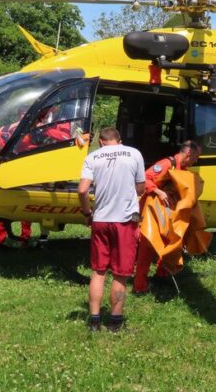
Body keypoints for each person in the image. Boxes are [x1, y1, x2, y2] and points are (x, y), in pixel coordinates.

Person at [78, 127, 145, 332]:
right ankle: (115, 322)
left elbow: (82, 190)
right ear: (120, 140)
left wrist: (87, 213)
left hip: (100, 220)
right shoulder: (134, 153)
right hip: (124, 221)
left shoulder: (93, 157)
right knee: (120, 274)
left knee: (98, 272)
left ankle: (95, 320)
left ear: (101, 142)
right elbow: (141, 188)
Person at [133, 140, 202, 294]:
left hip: (167, 213)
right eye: (196, 156)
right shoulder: (166, 164)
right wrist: (158, 192)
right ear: (188, 153)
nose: (197, 160)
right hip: (151, 214)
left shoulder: (183, 170)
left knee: (170, 244)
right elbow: (145, 178)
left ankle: (162, 276)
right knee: (147, 248)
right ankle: (139, 286)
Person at [0, 106, 32, 243]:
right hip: (8, 170)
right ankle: (0, 237)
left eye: (26, 114)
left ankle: (25, 237)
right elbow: (1, 133)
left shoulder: (34, 130)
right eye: (22, 113)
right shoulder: (9, 128)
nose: (24, 116)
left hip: (26, 170)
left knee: (26, 204)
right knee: (5, 206)